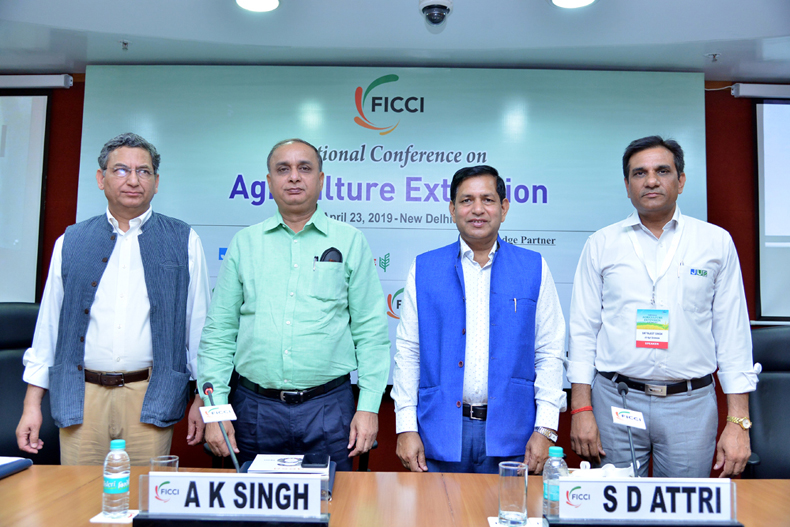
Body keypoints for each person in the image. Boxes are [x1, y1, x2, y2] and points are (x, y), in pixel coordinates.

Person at [567, 136, 759, 478]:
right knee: (616, 504)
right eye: (639, 173)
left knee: (683, 504)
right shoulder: (601, 244)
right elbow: (583, 332)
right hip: (617, 398)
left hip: (690, 404)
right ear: (627, 186)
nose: (651, 181)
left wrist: (738, 421)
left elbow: (733, 337)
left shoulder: (715, 242)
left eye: (662, 171)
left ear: (681, 181)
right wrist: (581, 408)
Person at [16, 133, 210, 465]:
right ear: (100, 178)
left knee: (143, 494)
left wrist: (203, 400)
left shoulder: (184, 240)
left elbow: (200, 327)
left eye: (143, 171)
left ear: (156, 182)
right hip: (81, 396)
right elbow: (49, 326)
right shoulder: (71, 241)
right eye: (121, 170)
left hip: (150, 396)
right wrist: (31, 405)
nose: (133, 180)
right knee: (77, 495)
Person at [198, 138, 390, 471]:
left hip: (330, 409)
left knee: (334, 501)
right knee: (254, 504)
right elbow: (219, 334)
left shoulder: (350, 241)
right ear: (269, 181)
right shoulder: (245, 244)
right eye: (283, 169)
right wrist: (215, 413)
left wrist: (369, 407)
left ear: (321, 179)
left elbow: (371, 333)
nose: (294, 177)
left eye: (305, 168)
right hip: (254, 410)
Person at [392, 165, 566, 474]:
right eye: (466, 200)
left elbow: (549, 352)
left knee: (509, 507)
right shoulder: (424, 268)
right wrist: (405, 426)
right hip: (440, 432)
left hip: (515, 434)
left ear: (504, 207)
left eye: (487, 199)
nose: (477, 209)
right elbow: (408, 353)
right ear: (452, 209)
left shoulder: (533, 267)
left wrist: (546, 428)